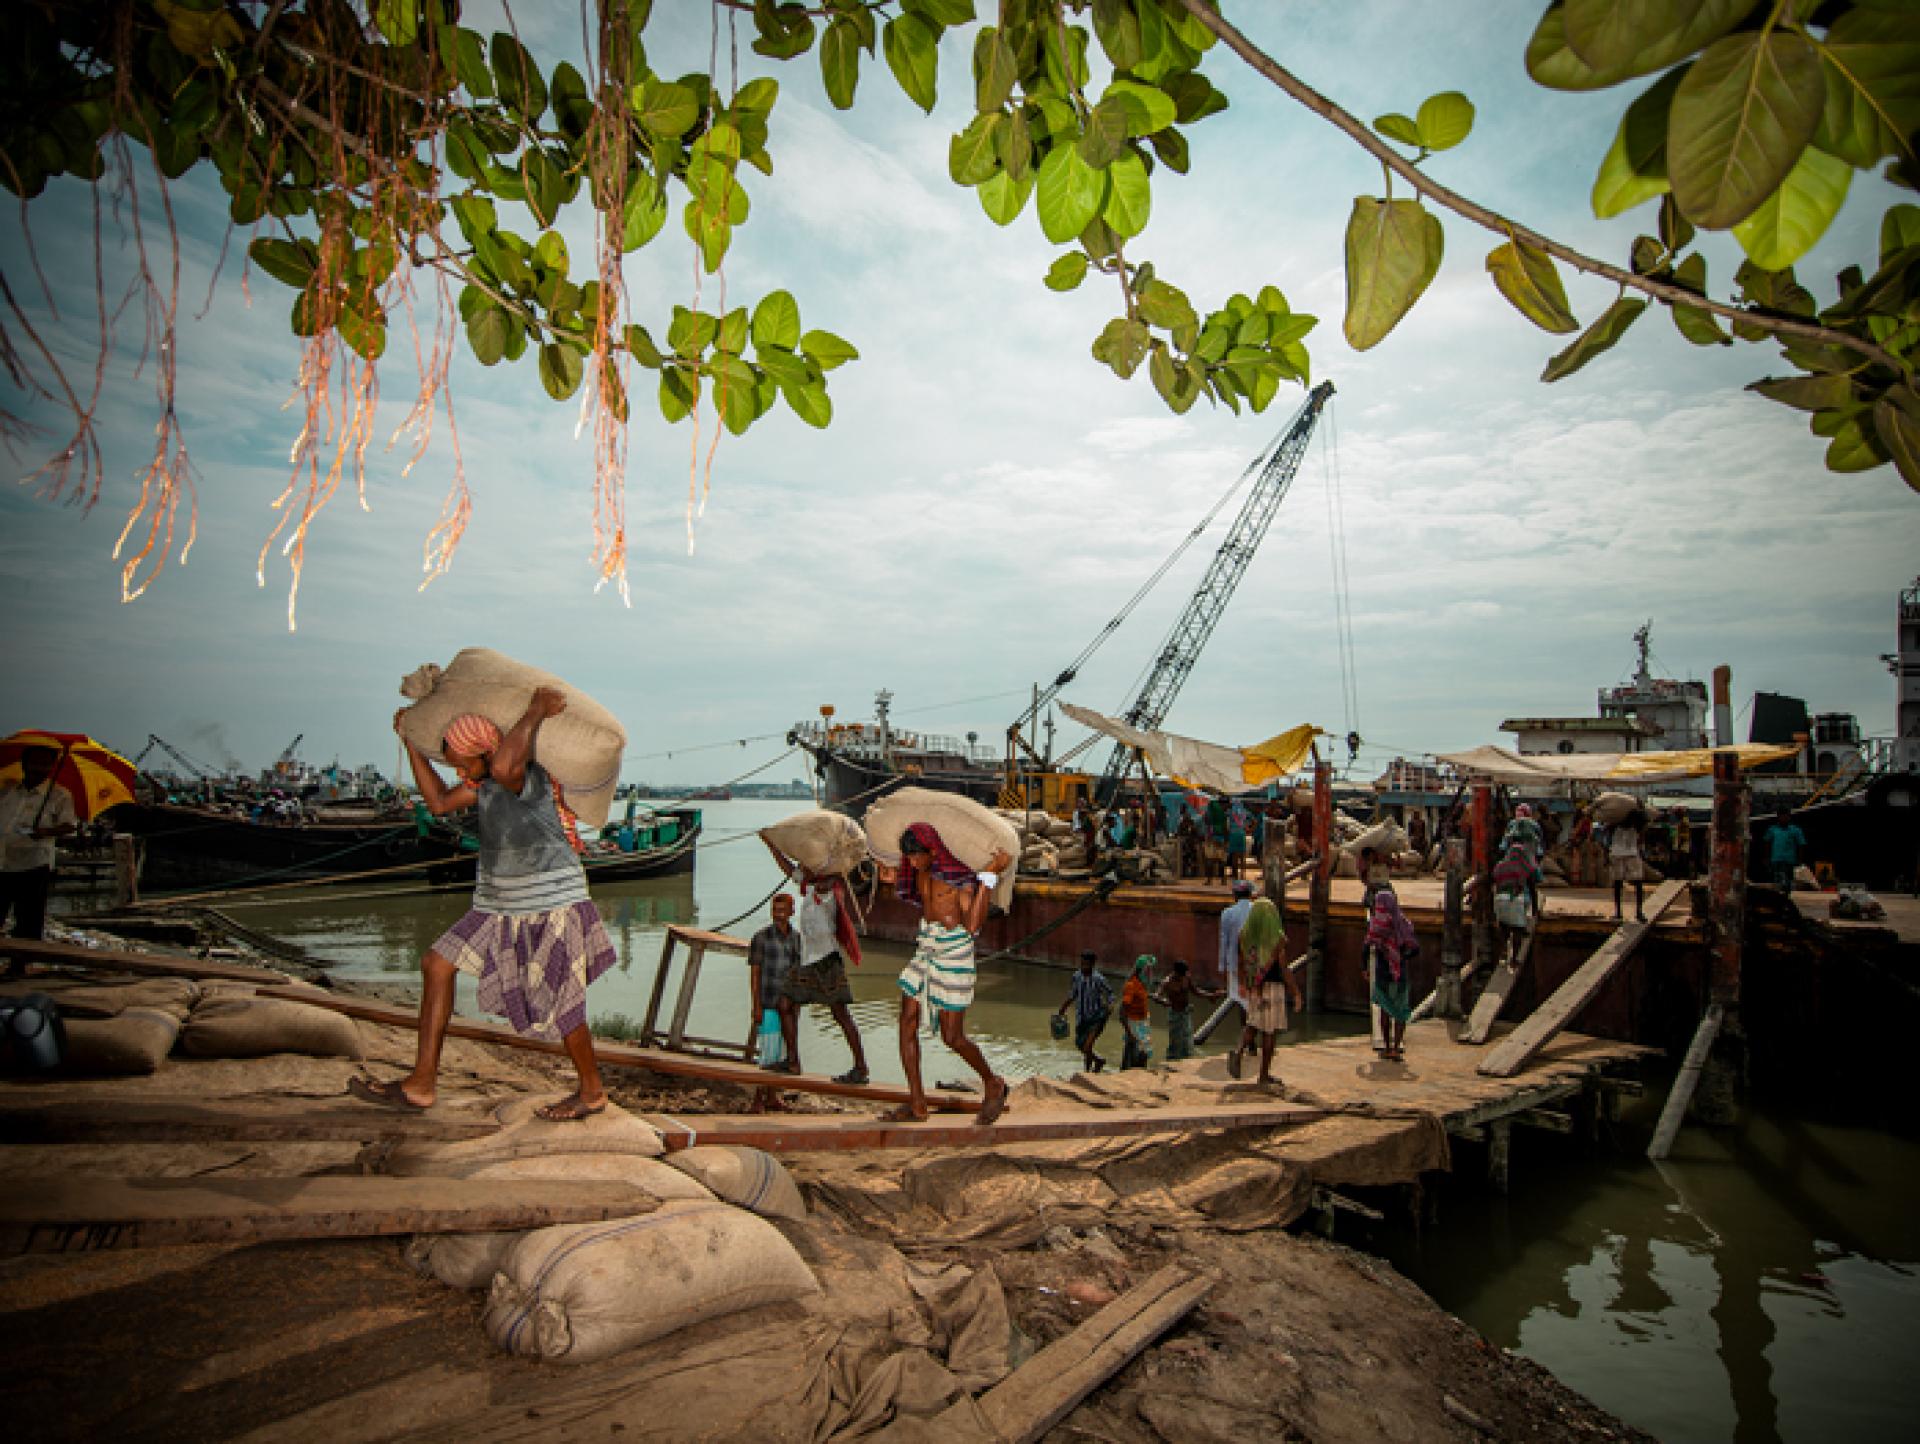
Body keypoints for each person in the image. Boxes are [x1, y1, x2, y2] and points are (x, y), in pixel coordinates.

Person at [354, 692, 615, 1120]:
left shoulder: (526, 778)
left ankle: (591, 1092)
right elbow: (438, 803)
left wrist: (534, 711)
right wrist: (408, 743)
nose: (459, 772)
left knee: (563, 1002)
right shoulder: (484, 786)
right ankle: (421, 1084)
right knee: (437, 964)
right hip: (497, 905)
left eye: (463, 762)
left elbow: (505, 765)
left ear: (487, 752)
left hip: (551, 903)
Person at [882, 822, 1013, 1124]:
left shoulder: (960, 879)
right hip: (927, 947)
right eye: (909, 858)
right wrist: (889, 875)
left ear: (932, 851)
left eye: (917, 857)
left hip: (954, 952)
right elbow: (916, 895)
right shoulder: (919, 870)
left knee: (952, 1037)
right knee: (906, 1021)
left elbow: (973, 926)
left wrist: (990, 873)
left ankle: (993, 1083)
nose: (912, 863)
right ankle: (917, 1102)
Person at [762, 838, 870, 1084]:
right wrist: (771, 844)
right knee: (785, 1004)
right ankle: (792, 1062)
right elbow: (788, 869)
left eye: (806, 862)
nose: (801, 865)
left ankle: (861, 1069)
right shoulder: (810, 885)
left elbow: (823, 880)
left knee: (841, 1015)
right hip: (808, 959)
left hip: (826, 961)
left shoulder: (827, 888)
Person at [0, 746, 78, 952]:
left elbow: (69, 825)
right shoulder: (8, 791)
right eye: (35, 762)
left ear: (52, 767)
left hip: (34, 863)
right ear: (24, 764)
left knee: (29, 918)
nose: (39, 768)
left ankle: (20, 964)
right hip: (4, 859)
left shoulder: (59, 795)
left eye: (45, 763)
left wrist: (44, 832)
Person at [1237, 895, 1302, 1087]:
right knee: (1269, 1032)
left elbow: (1242, 963)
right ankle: (1264, 1075)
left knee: (1252, 1024)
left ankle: (1239, 1049)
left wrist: (1244, 984)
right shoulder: (1277, 940)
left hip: (1254, 988)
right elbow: (1284, 968)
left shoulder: (1244, 935)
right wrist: (1296, 992)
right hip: (1273, 988)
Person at [1365, 888, 1418, 1062]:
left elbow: (1366, 946)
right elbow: (1415, 948)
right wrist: (1400, 956)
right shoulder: (1403, 923)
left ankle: (1387, 1047)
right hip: (1399, 972)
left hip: (1382, 972)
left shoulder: (1376, 923)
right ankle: (1396, 1047)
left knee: (1384, 1011)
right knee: (1400, 1011)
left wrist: (1364, 967)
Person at [1213, 879, 1256, 1075]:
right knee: (1256, 1004)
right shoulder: (1257, 910)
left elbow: (1224, 941)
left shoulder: (1228, 914)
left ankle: (1247, 1042)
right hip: (1256, 965)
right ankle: (1250, 1043)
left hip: (1234, 965)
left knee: (1241, 1003)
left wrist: (1222, 966)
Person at [1059, 949, 1115, 1072]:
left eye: (1086, 964)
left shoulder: (1099, 979)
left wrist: (1110, 1007)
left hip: (1097, 1017)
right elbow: (1072, 994)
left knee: (1087, 1046)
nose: (1083, 966)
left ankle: (1094, 1066)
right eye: (1082, 963)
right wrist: (1063, 1008)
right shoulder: (1076, 976)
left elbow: (1110, 994)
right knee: (1081, 1045)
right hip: (1082, 1017)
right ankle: (1094, 1065)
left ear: (1092, 964)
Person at [1154, 958, 1215, 1062]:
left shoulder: (1186, 978)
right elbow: (1156, 996)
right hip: (1174, 1014)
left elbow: (1195, 991)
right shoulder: (1167, 982)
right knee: (1175, 1042)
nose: (1184, 976)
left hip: (1186, 1013)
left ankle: (1186, 1062)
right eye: (1182, 974)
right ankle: (1171, 1062)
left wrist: (1209, 995)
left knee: (1187, 1041)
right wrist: (1163, 1001)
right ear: (1176, 972)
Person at [1610, 808, 1649, 922]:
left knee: (1618, 884)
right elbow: (1642, 833)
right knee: (1637, 883)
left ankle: (1619, 912)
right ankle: (1638, 912)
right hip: (1630, 854)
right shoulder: (1636, 826)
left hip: (1619, 854)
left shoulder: (1616, 825)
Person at [1119, 955, 1155, 1069]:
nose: (1150, 973)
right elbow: (1122, 1012)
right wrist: (1129, 1032)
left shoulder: (1142, 984)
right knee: (1133, 1055)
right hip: (1133, 1024)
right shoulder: (1131, 985)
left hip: (1142, 1023)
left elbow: (1141, 998)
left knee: (1144, 1054)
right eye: (1148, 970)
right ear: (1142, 970)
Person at [1764, 811, 1808, 892]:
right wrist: (1767, 858)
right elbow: (1767, 843)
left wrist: (1800, 860)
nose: (1784, 818)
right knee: (1777, 882)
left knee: (1787, 883)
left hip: (1790, 860)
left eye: (1786, 816)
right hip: (1776, 859)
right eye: (1782, 816)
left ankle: (1786, 897)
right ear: (1778, 817)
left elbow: (1801, 844)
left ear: (1789, 817)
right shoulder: (1772, 829)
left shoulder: (1796, 830)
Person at [1501, 803, 1544, 868]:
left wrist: (1503, 848)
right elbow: (1539, 840)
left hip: (1513, 856)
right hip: (1529, 854)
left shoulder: (1512, 823)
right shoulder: (1534, 824)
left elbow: (1504, 842)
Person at [1175, 810, 1201, 880]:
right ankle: (1184, 873)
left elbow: (1196, 835)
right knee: (1185, 859)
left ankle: (1193, 873)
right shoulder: (1181, 825)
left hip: (1191, 845)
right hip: (1184, 845)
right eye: (1185, 818)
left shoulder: (1192, 825)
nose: (1186, 819)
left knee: (1192, 859)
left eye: (1187, 818)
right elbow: (1178, 834)